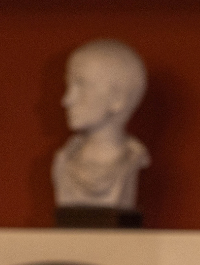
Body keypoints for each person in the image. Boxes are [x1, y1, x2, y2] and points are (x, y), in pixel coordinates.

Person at [53, 39, 150, 210]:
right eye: (69, 85)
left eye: (81, 86)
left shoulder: (131, 161)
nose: (67, 99)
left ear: (118, 98)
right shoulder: (63, 161)